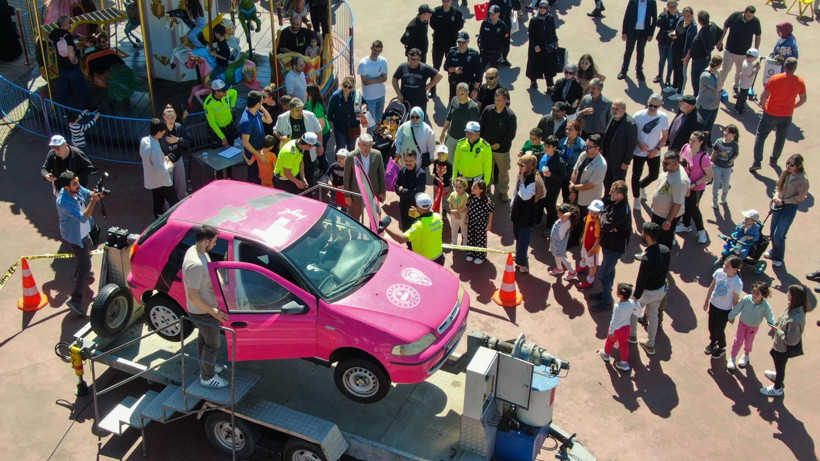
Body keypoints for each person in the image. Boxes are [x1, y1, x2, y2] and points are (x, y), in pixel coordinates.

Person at [182, 225, 230, 389]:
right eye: (214, 241)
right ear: (206, 241)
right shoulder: (196, 264)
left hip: (204, 311)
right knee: (213, 344)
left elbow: (207, 274)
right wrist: (214, 311)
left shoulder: (197, 251)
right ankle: (207, 377)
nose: (215, 245)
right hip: (203, 312)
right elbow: (193, 295)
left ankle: (206, 365)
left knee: (204, 338)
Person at [55, 171, 101, 315]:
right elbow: (83, 217)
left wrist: (95, 194)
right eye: (75, 184)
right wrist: (94, 201)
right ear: (67, 188)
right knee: (86, 264)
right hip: (75, 236)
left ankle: (78, 275)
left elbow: (87, 193)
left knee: (87, 251)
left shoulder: (77, 188)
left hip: (83, 232)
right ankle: (75, 299)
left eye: (78, 181)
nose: (78, 185)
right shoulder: (63, 202)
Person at [749, 58, 806, 171]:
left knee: (761, 136)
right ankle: (774, 159)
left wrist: (764, 107)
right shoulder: (800, 81)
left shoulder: (775, 78)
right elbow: (803, 99)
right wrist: (793, 106)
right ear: (795, 68)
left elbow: (763, 96)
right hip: (786, 115)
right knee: (780, 138)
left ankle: (757, 162)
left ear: (785, 66)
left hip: (770, 113)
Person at [630, 222, 670, 356]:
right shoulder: (665, 250)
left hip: (647, 292)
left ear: (647, 236)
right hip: (660, 290)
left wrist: (635, 295)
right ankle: (650, 343)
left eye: (643, 232)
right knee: (653, 315)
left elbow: (641, 279)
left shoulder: (647, 259)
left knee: (634, 312)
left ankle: (633, 336)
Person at [761, 284, 807, 397]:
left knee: (780, 365)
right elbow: (782, 318)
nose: (787, 294)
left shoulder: (796, 319)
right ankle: (778, 376)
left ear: (793, 297)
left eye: (789, 293)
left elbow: (791, 341)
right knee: (774, 355)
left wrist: (777, 331)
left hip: (783, 348)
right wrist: (775, 327)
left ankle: (777, 388)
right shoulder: (792, 306)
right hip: (779, 344)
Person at [764, 154, 809, 267]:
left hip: (789, 208)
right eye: (788, 163)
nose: (789, 166)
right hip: (779, 203)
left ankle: (779, 257)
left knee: (779, 234)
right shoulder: (786, 173)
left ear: (798, 166)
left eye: (792, 164)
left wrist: (784, 201)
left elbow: (800, 198)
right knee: (772, 230)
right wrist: (776, 196)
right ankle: (774, 251)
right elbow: (778, 186)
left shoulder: (802, 180)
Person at [592, 180, 631, 311]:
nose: (609, 193)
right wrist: (605, 217)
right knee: (610, 270)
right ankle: (605, 293)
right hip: (609, 243)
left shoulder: (621, 211)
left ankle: (607, 301)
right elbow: (606, 216)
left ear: (620, 195)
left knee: (603, 274)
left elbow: (605, 225)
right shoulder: (616, 203)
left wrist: (603, 216)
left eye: (612, 192)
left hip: (615, 247)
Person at [568, 134, 607, 248]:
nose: (586, 148)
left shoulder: (601, 164)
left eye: (589, 147)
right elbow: (575, 171)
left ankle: (576, 240)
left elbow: (590, 185)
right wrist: (572, 189)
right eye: (586, 145)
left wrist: (575, 188)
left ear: (597, 148)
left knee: (581, 220)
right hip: (577, 192)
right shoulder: (583, 155)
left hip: (588, 197)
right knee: (575, 216)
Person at [273, 97, 324, 184]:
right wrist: (281, 137)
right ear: (291, 110)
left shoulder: (310, 115)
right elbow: (275, 131)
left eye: (301, 110)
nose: (301, 112)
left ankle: (308, 193)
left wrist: (320, 146)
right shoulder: (282, 118)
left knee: (309, 176)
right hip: (292, 153)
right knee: (294, 177)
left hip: (308, 151)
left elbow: (318, 130)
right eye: (298, 110)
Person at [631, 94, 669, 210]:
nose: (652, 108)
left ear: (660, 106)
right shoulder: (638, 116)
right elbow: (632, 134)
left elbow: (665, 137)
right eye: (650, 105)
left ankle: (641, 186)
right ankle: (636, 198)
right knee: (636, 175)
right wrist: (640, 143)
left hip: (654, 152)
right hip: (639, 152)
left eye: (655, 106)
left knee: (654, 175)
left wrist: (657, 149)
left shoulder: (663, 117)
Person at [385, 192, 445, 265]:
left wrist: (385, 227)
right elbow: (428, 224)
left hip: (425, 262)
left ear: (417, 206)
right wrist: (418, 216)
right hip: (440, 257)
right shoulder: (437, 217)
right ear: (430, 205)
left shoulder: (418, 226)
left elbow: (401, 239)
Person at [727, 281, 774, 370]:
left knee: (749, 342)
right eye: (753, 292)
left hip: (753, 327)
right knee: (738, 340)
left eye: (757, 293)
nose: (754, 295)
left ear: (763, 295)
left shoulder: (765, 306)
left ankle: (746, 355)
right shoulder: (746, 299)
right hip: (742, 324)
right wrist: (731, 316)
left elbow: (769, 315)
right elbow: (738, 307)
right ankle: (732, 358)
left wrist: (772, 325)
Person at [703, 256, 744, 360]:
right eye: (725, 264)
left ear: (735, 269)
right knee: (711, 327)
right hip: (714, 304)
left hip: (724, 310)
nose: (724, 267)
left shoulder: (737, 283)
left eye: (727, 266)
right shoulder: (719, 272)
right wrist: (706, 301)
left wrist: (733, 315)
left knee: (719, 330)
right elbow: (712, 286)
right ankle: (713, 342)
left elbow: (735, 300)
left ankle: (722, 347)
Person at [481, 88, 517, 201]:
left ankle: (503, 191)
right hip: (487, 148)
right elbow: (482, 127)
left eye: (499, 100)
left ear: (506, 100)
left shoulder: (510, 116)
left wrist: (500, 145)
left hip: (502, 151)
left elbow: (511, 135)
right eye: (495, 100)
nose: (497, 103)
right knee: (487, 170)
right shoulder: (487, 110)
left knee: (503, 172)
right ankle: (486, 187)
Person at [677, 131, 713, 243]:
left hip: (696, 188)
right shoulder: (685, 147)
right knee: (685, 204)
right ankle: (686, 225)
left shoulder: (704, 157)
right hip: (684, 184)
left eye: (694, 141)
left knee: (693, 208)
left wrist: (693, 185)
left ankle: (701, 230)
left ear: (701, 142)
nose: (690, 143)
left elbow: (709, 176)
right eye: (690, 140)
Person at [510, 154, 544, 273]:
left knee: (523, 237)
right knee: (517, 234)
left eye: (522, 165)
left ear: (529, 166)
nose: (519, 167)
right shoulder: (522, 176)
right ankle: (520, 254)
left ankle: (522, 263)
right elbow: (516, 190)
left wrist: (521, 181)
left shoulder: (533, 180)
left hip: (527, 213)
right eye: (519, 164)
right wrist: (512, 203)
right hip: (518, 209)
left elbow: (525, 196)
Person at [716, 6, 761, 93]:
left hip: (744, 53)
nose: (749, 18)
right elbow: (725, 27)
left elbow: (758, 36)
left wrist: (756, 50)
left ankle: (736, 87)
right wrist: (720, 40)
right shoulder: (735, 16)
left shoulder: (755, 21)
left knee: (740, 71)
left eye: (751, 17)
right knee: (724, 70)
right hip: (730, 50)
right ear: (744, 12)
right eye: (748, 16)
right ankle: (718, 88)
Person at [648, 151, 689, 247]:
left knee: (664, 240)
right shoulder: (671, 171)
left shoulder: (680, 181)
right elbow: (665, 188)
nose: (663, 165)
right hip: (658, 212)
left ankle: (660, 259)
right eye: (663, 162)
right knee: (654, 235)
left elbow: (677, 204)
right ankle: (651, 253)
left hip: (665, 216)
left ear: (675, 164)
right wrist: (656, 202)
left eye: (666, 163)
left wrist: (668, 221)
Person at [597, 283, 641, 371]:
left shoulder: (618, 306)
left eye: (617, 291)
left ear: (620, 295)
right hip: (626, 329)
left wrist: (611, 332)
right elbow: (638, 308)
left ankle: (605, 354)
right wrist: (637, 312)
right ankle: (624, 363)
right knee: (624, 345)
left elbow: (614, 320)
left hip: (616, 329)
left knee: (610, 341)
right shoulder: (632, 303)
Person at [343, 134, 386, 221]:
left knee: (375, 218)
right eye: (364, 145)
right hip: (356, 193)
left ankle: (373, 234)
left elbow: (381, 174)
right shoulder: (351, 157)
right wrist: (347, 195)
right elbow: (346, 178)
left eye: (370, 145)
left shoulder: (377, 155)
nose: (367, 148)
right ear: (359, 144)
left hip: (373, 192)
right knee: (354, 218)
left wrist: (383, 191)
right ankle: (354, 234)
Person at [140, 119, 178, 219]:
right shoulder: (155, 150)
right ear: (158, 132)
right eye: (163, 131)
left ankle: (158, 222)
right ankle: (176, 221)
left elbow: (146, 157)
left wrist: (162, 159)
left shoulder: (144, 141)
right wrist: (170, 165)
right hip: (162, 181)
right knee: (175, 203)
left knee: (158, 202)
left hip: (152, 181)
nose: (164, 132)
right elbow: (160, 171)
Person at [601, 100, 637, 192]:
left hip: (619, 162)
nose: (614, 110)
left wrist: (626, 162)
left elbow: (631, 145)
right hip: (607, 157)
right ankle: (607, 197)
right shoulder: (612, 117)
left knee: (618, 184)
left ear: (624, 110)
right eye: (613, 108)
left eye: (616, 109)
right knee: (606, 180)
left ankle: (619, 201)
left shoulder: (630, 124)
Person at [392, 49, 442, 117]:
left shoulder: (424, 68)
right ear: (408, 57)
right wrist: (398, 93)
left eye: (415, 59)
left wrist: (428, 86)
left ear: (420, 58)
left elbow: (439, 75)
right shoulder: (402, 67)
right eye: (411, 59)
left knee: (418, 121)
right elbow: (394, 79)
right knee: (404, 120)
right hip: (405, 100)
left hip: (419, 101)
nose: (413, 61)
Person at [683, 11, 722, 96]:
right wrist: (715, 42)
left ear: (699, 21)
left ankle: (697, 96)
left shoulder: (705, 32)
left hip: (700, 60)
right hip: (701, 58)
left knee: (697, 79)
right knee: (698, 78)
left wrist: (711, 47)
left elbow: (708, 48)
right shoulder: (713, 25)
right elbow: (720, 32)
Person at [617, 0, 657, 82]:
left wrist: (651, 34)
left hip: (644, 32)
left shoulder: (652, 2)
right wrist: (624, 32)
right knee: (628, 51)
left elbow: (654, 19)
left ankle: (639, 70)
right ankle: (624, 70)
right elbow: (627, 15)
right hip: (632, 31)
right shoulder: (633, 1)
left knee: (640, 52)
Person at [239, 91, 273, 185]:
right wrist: (258, 155)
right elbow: (245, 142)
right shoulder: (246, 121)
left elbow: (269, 120)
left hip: (260, 153)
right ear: (257, 103)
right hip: (254, 155)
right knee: (253, 179)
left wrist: (261, 108)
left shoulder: (256, 112)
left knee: (260, 178)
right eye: (261, 101)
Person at [431, 0, 466, 93]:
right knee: (435, 67)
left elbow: (460, 25)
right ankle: (433, 89)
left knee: (451, 67)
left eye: (448, 1)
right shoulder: (436, 11)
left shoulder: (456, 13)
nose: (446, 3)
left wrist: (449, 31)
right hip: (438, 43)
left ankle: (453, 90)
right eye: (444, 1)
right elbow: (432, 24)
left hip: (450, 44)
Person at [158, 105, 191, 199]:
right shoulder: (160, 130)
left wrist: (178, 140)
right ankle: (168, 208)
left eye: (172, 117)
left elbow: (188, 140)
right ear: (164, 117)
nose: (170, 120)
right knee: (167, 184)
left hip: (178, 158)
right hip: (165, 161)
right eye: (168, 118)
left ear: (176, 116)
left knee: (181, 184)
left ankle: (181, 202)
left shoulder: (179, 127)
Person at [440, 83, 481, 157]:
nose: (459, 96)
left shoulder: (473, 107)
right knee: (449, 162)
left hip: (464, 141)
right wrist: (443, 132)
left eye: (462, 94)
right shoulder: (454, 100)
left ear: (468, 92)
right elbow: (449, 117)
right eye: (457, 93)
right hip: (451, 138)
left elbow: (475, 128)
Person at [527, 1, 559, 92]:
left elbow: (553, 30)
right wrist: (535, 45)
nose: (542, 10)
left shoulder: (550, 18)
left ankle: (549, 86)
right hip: (537, 48)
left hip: (549, 47)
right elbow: (531, 34)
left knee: (549, 66)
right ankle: (533, 81)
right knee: (535, 64)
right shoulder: (534, 20)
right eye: (541, 7)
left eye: (544, 8)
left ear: (547, 8)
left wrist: (556, 40)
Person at [357, 41, 388, 132]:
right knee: (370, 124)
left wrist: (372, 80)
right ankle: (368, 142)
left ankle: (375, 140)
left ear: (381, 50)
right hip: (369, 98)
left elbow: (385, 78)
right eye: (375, 50)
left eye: (378, 51)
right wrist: (378, 78)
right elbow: (365, 81)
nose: (376, 52)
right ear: (371, 48)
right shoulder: (363, 63)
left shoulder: (383, 61)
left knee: (378, 121)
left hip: (381, 95)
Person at [667, 6, 697, 101]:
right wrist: (672, 35)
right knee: (675, 68)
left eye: (688, 15)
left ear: (692, 15)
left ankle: (680, 92)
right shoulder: (680, 21)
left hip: (683, 53)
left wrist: (687, 57)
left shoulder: (693, 27)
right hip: (675, 49)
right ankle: (674, 86)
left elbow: (691, 44)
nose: (686, 17)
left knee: (682, 72)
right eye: (685, 15)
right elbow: (677, 31)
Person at [452, 121, 493, 187]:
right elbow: (456, 161)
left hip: (476, 182)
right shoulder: (461, 143)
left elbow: (487, 167)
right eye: (467, 132)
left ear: (478, 133)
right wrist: (454, 178)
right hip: (462, 180)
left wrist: (485, 183)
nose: (468, 134)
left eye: (471, 133)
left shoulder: (485, 147)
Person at [443, 32, 482, 102]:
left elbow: (478, 74)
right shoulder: (452, 53)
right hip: (454, 86)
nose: (460, 44)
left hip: (468, 86)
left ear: (468, 41)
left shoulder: (474, 55)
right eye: (459, 41)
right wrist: (454, 69)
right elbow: (446, 67)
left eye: (463, 42)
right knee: (454, 106)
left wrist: (476, 89)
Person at [538, 135, 566, 230]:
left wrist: (551, 175)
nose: (546, 148)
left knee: (550, 207)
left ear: (554, 148)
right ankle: (537, 221)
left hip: (552, 189)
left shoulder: (559, 161)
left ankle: (550, 226)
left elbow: (563, 176)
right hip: (541, 186)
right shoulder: (543, 155)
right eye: (545, 146)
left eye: (549, 147)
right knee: (539, 203)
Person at [327, 76, 363, 152]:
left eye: (349, 87)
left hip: (353, 127)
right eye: (345, 86)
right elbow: (330, 112)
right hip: (340, 129)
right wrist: (331, 123)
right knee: (341, 149)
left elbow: (365, 103)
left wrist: (362, 109)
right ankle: (339, 164)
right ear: (342, 85)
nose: (347, 89)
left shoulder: (356, 95)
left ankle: (349, 164)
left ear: (352, 87)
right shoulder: (335, 96)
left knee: (351, 149)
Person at [395, 150, 428, 231]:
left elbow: (419, 193)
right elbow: (396, 187)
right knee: (405, 228)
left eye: (410, 161)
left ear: (416, 159)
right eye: (406, 161)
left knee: (415, 229)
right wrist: (408, 191)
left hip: (415, 207)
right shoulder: (401, 170)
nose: (408, 163)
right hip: (403, 205)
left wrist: (403, 191)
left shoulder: (421, 174)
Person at [575, 199, 603, 289]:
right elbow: (586, 227)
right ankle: (582, 266)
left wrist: (592, 249)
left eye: (595, 212)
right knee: (583, 256)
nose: (592, 213)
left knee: (592, 265)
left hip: (592, 248)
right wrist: (583, 237)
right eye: (591, 211)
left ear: (600, 213)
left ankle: (590, 280)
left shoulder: (598, 224)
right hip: (585, 243)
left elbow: (598, 238)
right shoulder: (588, 216)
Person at [465, 179, 494, 264]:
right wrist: (465, 217)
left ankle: (480, 256)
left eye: (475, 187)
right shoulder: (471, 198)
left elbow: (490, 212)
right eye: (472, 186)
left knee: (480, 239)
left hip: (481, 223)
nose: (472, 188)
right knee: (471, 237)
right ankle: (470, 253)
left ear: (481, 190)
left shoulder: (487, 201)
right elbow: (468, 209)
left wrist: (489, 223)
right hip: (471, 221)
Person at [710, 124, 739, 208]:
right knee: (716, 183)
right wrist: (711, 160)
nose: (726, 133)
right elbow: (714, 152)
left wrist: (731, 160)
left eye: (729, 132)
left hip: (727, 168)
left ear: (734, 135)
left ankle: (723, 198)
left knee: (725, 184)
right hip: (717, 165)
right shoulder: (719, 141)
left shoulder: (734, 145)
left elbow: (736, 154)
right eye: (725, 130)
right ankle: (714, 200)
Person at [203, 79, 239, 148]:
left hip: (230, 127)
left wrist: (232, 106)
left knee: (232, 150)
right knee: (219, 153)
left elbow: (235, 92)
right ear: (216, 92)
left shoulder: (226, 93)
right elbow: (212, 123)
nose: (226, 92)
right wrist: (222, 137)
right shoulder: (208, 104)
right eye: (223, 91)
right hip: (219, 132)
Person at [548, 203, 580, 278]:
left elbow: (566, 215)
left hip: (559, 243)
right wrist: (561, 208)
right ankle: (559, 268)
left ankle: (572, 272)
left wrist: (572, 212)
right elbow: (557, 205)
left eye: (559, 213)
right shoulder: (562, 219)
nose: (558, 214)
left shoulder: (567, 221)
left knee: (562, 257)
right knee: (556, 255)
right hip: (555, 242)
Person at [696, 55, 723, 142]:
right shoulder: (706, 76)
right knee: (701, 127)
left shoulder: (713, 73)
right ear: (718, 64)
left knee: (709, 126)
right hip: (705, 106)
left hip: (714, 106)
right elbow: (718, 87)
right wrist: (719, 73)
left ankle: (707, 141)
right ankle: (699, 143)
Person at [305, 83, 331, 171]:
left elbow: (322, 126)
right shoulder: (310, 102)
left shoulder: (317, 107)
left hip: (322, 134)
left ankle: (326, 172)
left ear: (310, 94)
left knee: (321, 154)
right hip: (316, 133)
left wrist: (319, 142)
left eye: (306, 91)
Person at [654, 0, 680, 86]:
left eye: (674, 6)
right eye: (670, 6)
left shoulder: (680, 16)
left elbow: (682, 28)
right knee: (662, 60)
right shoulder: (664, 14)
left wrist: (675, 31)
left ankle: (668, 78)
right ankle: (660, 75)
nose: (672, 8)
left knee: (671, 61)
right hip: (663, 40)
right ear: (667, 6)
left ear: (677, 6)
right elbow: (658, 24)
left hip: (673, 43)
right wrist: (664, 15)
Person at [558, 120, 585, 202]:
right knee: (565, 195)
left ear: (577, 131)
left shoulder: (582, 145)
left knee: (573, 198)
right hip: (563, 175)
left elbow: (583, 163)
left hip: (573, 176)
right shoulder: (562, 142)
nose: (567, 131)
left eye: (570, 129)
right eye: (566, 129)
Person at [478, 5, 509, 70]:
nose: (491, 15)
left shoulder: (503, 26)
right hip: (484, 52)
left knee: (493, 75)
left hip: (495, 54)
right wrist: (480, 46)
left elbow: (506, 42)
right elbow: (481, 35)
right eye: (490, 13)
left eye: (493, 14)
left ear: (498, 14)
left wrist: (501, 53)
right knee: (479, 72)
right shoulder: (485, 23)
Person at [735, 49, 760, 115]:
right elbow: (750, 75)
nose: (755, 59)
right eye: (755, 58)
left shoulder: (747, 62)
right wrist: (756, 69)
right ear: (751, 57)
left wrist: (754, 66)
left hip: (744, 83)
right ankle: (739, 110)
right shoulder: (748, 65)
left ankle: (737, 106)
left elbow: (750, 69)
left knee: (741, 96)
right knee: (743, 97)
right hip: (745, 84)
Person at [448, 177, 470, 245]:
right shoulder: (452, 194)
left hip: (462, 216)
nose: (457, 189)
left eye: (460, 187)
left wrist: (455, 212)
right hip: (454, 216)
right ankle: (454, 242)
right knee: (454, 230)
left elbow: (465, 207)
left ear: (465, 187)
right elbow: (450, 204)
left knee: (464, 230)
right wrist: (454, 213)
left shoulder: (466, 196)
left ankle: (465, 243)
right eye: (456, 186)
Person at [433, 145, 453, 216]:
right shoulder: (436, 162)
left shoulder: (449, 164)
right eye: (439, 155)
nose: (441, 157)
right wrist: (433, 175)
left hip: (445, 185)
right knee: (436, 197)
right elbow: (434, 171)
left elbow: (450, 174)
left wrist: (444, 178)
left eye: (443, 155)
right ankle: (435, 209)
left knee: (445, 198)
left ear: (446, 155)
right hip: (436, 183)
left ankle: (444, 210)